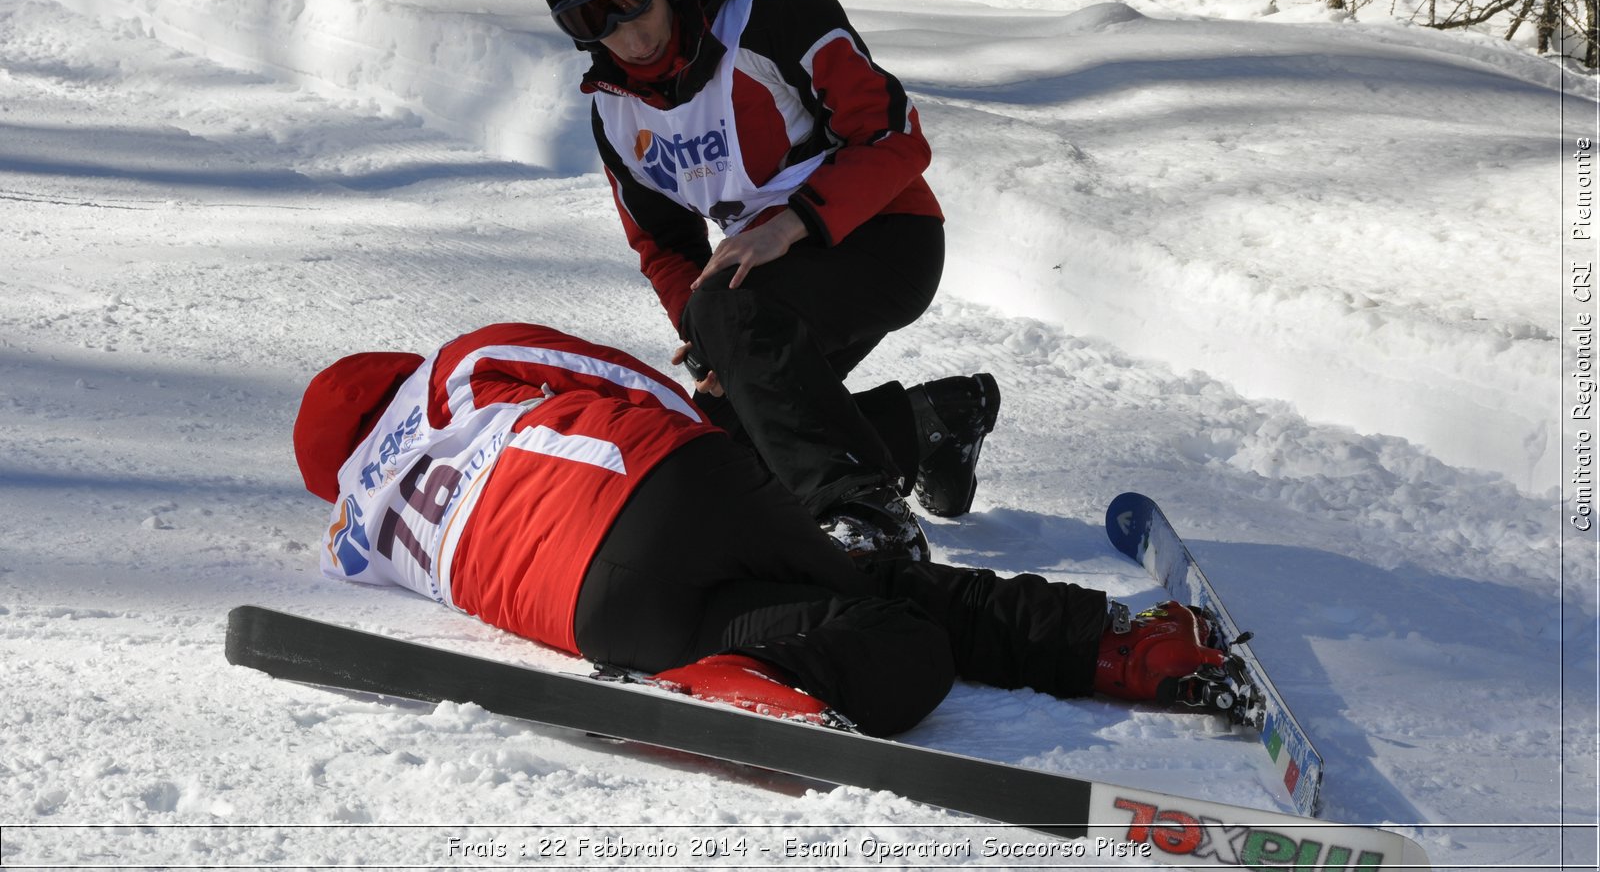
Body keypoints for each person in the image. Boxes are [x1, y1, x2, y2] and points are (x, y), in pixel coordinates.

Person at [292, 322, 1230, 737]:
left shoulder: (355, 537)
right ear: (393, 372)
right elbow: (612, 376)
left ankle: (750, 685)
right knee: (887, 587)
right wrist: (715, 453)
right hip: (665, 487)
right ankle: (1122, 649)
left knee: (884, 645)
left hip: (607, 616)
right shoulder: (456, 368)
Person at [535, 0, 1000, 562]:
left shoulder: (773, 19)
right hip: (764, 281)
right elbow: (663, 244)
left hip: (886, 237)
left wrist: (791, 225)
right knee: (727, 448)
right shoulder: (615, 115)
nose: (630, 33)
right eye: (593, 17)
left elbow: (896, 137)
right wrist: (706, 339)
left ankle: (866, 516)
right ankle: (936, 422)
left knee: (735, 325)